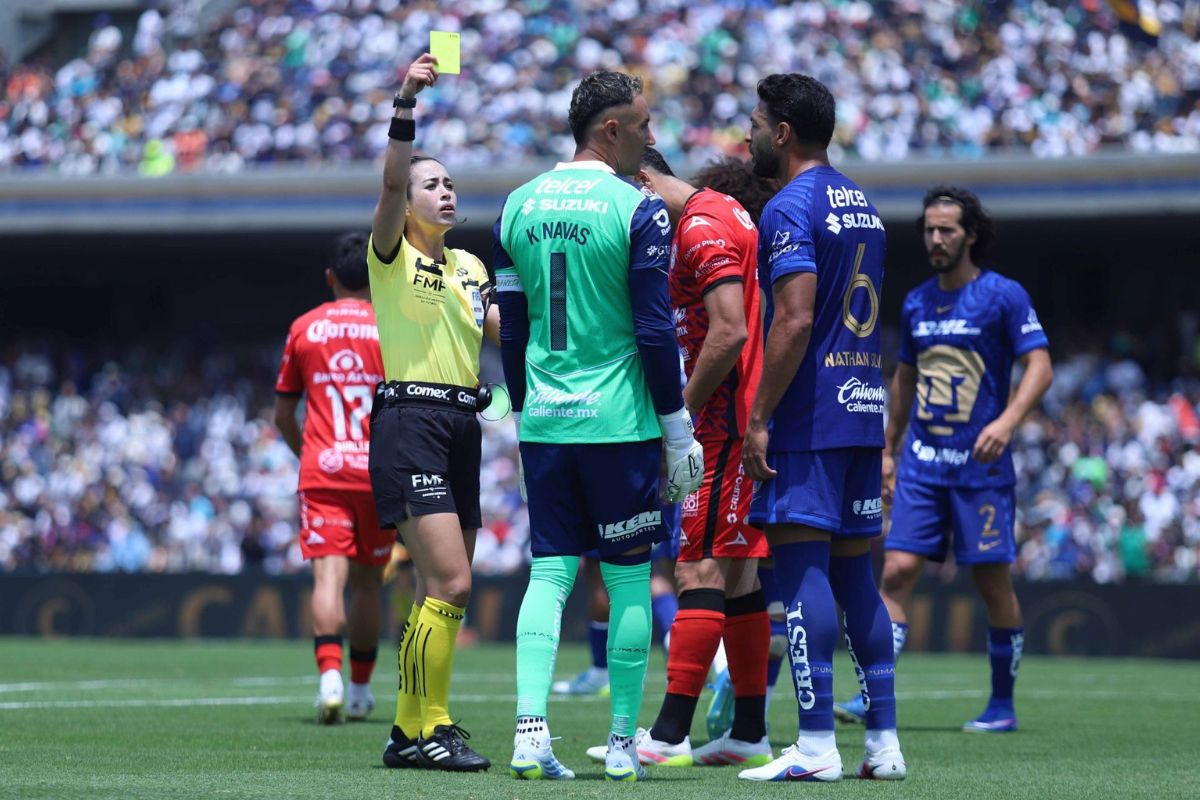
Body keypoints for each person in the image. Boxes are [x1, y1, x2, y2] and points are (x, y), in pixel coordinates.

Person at [494, 70, 705, 783]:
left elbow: (513, 328)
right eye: (643, 124)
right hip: (618, 424)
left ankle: (529, 732)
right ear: (610, 129)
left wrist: (522, 409)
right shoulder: (637, 208)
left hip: (546, 423)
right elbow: (653, 328)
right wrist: (677, 428)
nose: (652, 136)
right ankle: (620, 743)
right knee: (629, 580)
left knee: (550, 573)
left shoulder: (517, 205)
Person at [834, 186, 1053, 733]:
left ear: (970, 235)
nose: (935, 238)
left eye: (946, 230)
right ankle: (872, 694)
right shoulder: (916, 302)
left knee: (991, 582)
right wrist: (888, 449)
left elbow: (1041, 366)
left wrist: (1007, 422)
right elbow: (905, 380)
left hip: (981, 469)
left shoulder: (1004, 296)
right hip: (923, 465)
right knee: (897, 572)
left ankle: (1001, 705)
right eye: (929, 229)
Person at [737, 73, 905, 782]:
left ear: (782, 133)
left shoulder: (788, 206)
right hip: (862, 409)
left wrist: (759, 417)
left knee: (802, 570)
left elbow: (796, 318)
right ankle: (884, 744)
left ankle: (814, 746)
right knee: (856, 577)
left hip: (811, 416)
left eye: (755, 123)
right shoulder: (864, 204)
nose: (747, 135)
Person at [611, 146, 774, 769]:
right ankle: (749, 731)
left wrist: (680, 417)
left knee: (697, 573)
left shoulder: (702, 225)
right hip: (736, 420)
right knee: (740, 579)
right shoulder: (721, 212)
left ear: (644, 183)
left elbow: (729, 331)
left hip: (721, 425)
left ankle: (668, 734)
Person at [368, 53, 499, 773]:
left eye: (449, 184)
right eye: (432, 184)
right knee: (452, 583)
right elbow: (391, 180)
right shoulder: (389, 252)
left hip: (461, 425)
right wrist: (405, 103)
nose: (444, 192)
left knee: (435, 589)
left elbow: (508, 333)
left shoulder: (472, 266)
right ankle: (433, 726)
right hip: (410, 421)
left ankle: (407, 730)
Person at [274, 231, 389, 725]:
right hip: (378, 473)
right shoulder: (391, 326)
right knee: (368, 585)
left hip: (324, 471)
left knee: (328, 578)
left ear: (329, 277)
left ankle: (330, 682)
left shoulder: (304, 328)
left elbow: (283, 414)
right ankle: (361, 691)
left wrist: (309, 455)